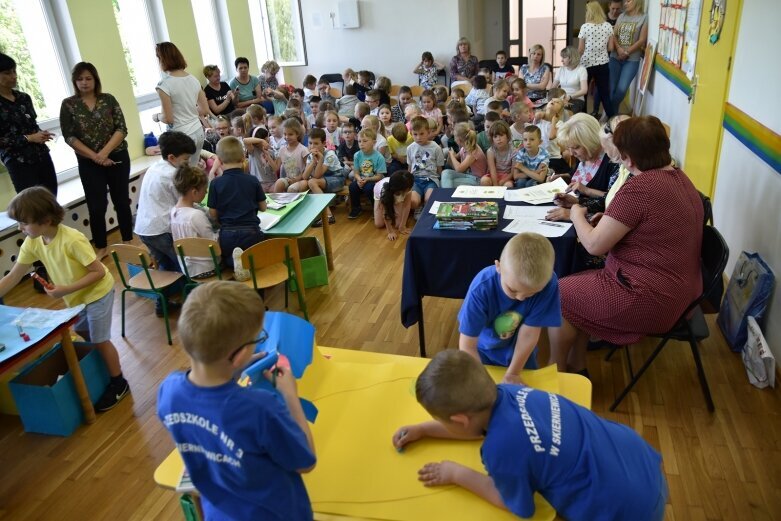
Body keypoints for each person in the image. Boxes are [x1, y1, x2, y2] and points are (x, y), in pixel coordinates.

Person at [391, 350, 668, 521]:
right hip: (641, 464)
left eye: (438, 420)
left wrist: (454, 473)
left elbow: (517, 505)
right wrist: (424, 429)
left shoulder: (501, 451)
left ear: (460, 419)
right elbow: (481, 429)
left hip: (625, 511)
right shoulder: (509, 393)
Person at [548, 116, 703, 376]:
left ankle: (555, 374)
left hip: (651, 299)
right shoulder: (680, 179)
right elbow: (651, 228)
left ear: (628, 159)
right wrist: (607, 222)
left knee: (558, 292)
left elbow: (594, 246)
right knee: (579, 287)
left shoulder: (639, 189)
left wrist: (576, 213)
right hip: (682, 293)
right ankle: (577, 367)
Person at [157, 281, 316, 521]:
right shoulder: (260, 408)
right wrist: (290, 395)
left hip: (220, 512)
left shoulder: (169, 391)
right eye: (257, 338)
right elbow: (305, 461)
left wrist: (233, 369)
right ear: (240, 355)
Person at [0, 187, 130, 411]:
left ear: (46, 219)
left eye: (24, 222)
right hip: (76, 298)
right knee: (84, 333)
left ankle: (119, 382)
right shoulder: (34, 241)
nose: (20, 227)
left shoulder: (72, 240)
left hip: (98, 293)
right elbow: (13, 276)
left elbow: (98, 272)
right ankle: (104, 366)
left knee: (100, 339)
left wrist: (65, 289)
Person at [457, 233, 560, 378]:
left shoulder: (548, 284)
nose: (520, 298)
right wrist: (483, 382)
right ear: (498, 267)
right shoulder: (481, 288)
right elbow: (467, 345)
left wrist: (513, 373)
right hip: (482, 353)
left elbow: (529, 334)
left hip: (521, 356)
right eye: (512, 289)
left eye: (532, 293)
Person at [59, 62, 133, 259]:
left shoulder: (108, 99)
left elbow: (121, 128)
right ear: (75, 81)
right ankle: (101, 246)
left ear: (95, 80)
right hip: (89, 162)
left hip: (117, 156)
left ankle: (128, 240)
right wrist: (96, 157)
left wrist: (104, 153)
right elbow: (69, 136)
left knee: (121, 200)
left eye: (88, 78)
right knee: (97, 205)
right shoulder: (69, 105)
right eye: (80, 79)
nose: (84, 82)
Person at [134, 131, 196, 280]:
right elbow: (184, 204)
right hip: (161, 229)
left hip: (144, 228)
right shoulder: (173, 175)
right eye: (186, 159)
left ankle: (164, 302)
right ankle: (189, 297)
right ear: (172, 158)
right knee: (185, 265)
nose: (188, 163)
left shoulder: (155, 166)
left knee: (164, 270)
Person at [0, 53, 57, 195]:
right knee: (32, 207)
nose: (13, 76)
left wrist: (41, 134)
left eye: (14, 71)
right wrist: (29, 138)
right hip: (18, 162)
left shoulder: (24, 98)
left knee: (51, 200)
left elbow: (32, 125)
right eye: (7, 73)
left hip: (41, 155)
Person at [208, 136, 267, 268]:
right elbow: (263, 207)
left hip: (227, 234)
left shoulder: (215, 183)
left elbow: (212, 214)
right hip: (251, 232)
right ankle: (248, 268)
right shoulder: (252, 180)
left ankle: (235, 265)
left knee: (229, 261)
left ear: (220, 160)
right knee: (255, 259)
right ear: (243, 158)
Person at [154, 42, 209, 165]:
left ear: (162, 59)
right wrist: (189, 111)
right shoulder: (193, 79)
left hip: (181, 136)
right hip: (198, 131)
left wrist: (157, 117)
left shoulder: (164, 85)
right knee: (192, 172)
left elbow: (168, 118)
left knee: (182, 177)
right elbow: (204, 109)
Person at [170, 164, 218, 278]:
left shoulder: (174, 211)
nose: (206, 193)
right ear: (194, 192)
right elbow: (214, 244)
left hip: (188, 269)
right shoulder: (196, 216)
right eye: (204, 190)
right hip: (206, 268)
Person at [609, 0, 648, 114]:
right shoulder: (621, 16)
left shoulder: (644, 18)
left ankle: (609, 112)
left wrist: (627, 52)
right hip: (615, 57)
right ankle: (613, 116)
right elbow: (614, 34)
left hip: (632, 59)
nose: (625, 3)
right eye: (625, 1)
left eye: (629, 1)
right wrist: (620, 49)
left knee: (621, 90)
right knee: (611, 89)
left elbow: (642, 40)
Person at [298, 128, 342, 226]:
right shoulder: (311, 155)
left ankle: (329, 216)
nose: (312, 146)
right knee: (305, 183)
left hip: (337, 178)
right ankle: (304, 216)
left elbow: (317, 175)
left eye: (316, 143)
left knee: (312, 182)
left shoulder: (330, 154)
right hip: (322, 180)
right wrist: (313, 161)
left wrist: (321, 159)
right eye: (310, 143)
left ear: (324, 143)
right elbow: (305, 176)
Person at [579, 1, 615, 119]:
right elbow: (610, 48)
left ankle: (584, 119)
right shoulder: (608, 26)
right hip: (603, 64)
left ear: (589, 12)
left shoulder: (585, 27)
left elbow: (580, 50)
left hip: (586, 64)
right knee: (605, 94)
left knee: (583, 93)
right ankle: (612, 120)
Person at [406, 116, 444, 209]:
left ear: (428, 132)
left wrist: (440, 181)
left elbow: (439, 168)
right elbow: (410, 167)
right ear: (411, 133)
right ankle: (418, 208)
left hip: (431, 179)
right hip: (416, 180)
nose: (418, 137)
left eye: (422, 134)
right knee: (413, 202)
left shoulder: (436, 148)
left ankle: (425, 208)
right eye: (415, 134)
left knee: (429, 200)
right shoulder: (410, 148)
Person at [348, 128, 386, 219]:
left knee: (369, 188)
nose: (361, 143)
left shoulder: (379, 157)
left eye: (365, 141)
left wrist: (367, 179)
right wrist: (358, 179)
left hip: (374, 180)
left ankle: (376, 208)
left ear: (374, 142)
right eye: (359, 141)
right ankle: (356, 208)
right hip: (362, 179)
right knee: (352, 187)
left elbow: (379, 176)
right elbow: (356, 172)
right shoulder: (357, 155)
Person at [441, 123, 487, 188]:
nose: (454, 139)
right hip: (467, 176)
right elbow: (453, 161)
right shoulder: (464, 148)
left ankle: (447, 197)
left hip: (476, 179)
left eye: (455, 137)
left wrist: (451, 155)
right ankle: (447, 195)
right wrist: (450, 155)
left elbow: (459, 169)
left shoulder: (473, 151)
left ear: (459, 140)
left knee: (448, 182)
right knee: (445, 173)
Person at [374, 170, 414, 241]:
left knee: (398, 225)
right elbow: (385, 211)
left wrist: (403, 225)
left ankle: (398, 208)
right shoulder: (384, 192)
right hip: (381, 196)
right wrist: (390, 231)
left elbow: (407, 206)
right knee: (379, 224)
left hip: (398, 194)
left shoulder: (407, 187)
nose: (410, 189)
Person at [273, 119, 309, 194]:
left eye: (290, 134)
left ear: (297, 134)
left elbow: (308, 169)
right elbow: (276, 167)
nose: (287, 137)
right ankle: (277, 204)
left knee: (292, 189)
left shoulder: (303, 150)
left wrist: (298, 178)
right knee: (279, 183)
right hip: (289, 179)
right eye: (285, 134)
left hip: (303, 180)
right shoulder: (282, 149)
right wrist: (267, 154)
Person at [549, 47, 588, 114]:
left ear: (571, 58)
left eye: (564, 57)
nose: (562, 60)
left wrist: (569, 97)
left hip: (576, 99)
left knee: (566, 113)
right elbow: (553, 87)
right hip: (561, 99)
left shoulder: (581, 70)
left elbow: (584, 90)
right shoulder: (560, 70)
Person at [483, 120, 515, 187]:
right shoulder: (490, 151)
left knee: (508, 185)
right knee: (484, 180)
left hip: (507, 176)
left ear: (507, 136)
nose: (498, 139)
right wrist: (496, 185)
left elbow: (513, 172)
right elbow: (492, 170)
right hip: (494, 175)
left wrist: (503, 181)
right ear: (492, 139)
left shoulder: (513, 150)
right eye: (495, 136)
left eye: (501, 135)